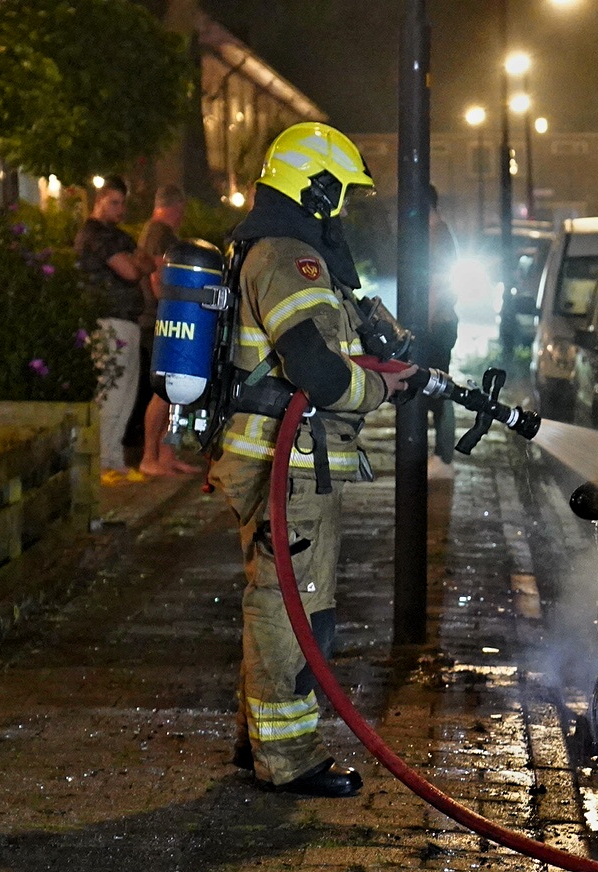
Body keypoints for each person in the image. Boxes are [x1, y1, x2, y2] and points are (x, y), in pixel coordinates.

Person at [209, 122, 421, 798]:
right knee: (294, 608)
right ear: (317, 185)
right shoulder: (285, 254)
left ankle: (259, 743)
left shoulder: (277, 248)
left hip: (287, 461)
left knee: (283, 601)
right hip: (285, 465)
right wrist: (381, 387)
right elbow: (319, 376)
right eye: (341, 193)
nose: (344, 208)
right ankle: (288, 758)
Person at [75, 176, 154, 484]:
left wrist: (139, 263)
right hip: (109, 320)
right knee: (112, 392)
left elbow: (143, 260)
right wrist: (137, 264)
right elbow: (133, 269)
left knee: (126, 394)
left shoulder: (116, 235)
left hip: (127, 319)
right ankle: (102, 461)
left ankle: (113, 459)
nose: (121, 209)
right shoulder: (96, 235)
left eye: (123, 203)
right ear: (99, 200)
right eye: (114, 202)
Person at [130, 185, 201, 476]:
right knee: (164, 390)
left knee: (170, 391)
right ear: (178, 207)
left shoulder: (151, 231)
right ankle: (151, 457)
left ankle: (165, 456)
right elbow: (161, 277)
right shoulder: (162, 233)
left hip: (156, 318)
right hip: (161, 319)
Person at [426, 186, 460, 462]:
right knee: (437, 388)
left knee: (437, 390)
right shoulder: (441, 234)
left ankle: (444, 452)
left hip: (436, 325)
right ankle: (443, 451)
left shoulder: (436, 237)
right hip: (442, 323)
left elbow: (436, 284)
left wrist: (422, 324)